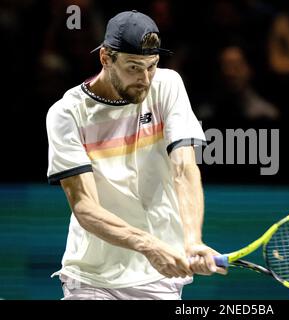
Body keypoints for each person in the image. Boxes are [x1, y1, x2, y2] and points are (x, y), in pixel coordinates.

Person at [46, 10, 225, 300]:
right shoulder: (67, 114)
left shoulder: (167, 86)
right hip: (92, 277)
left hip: (159, 278)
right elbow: (85, 207)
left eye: (151, 66)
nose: (145, 79)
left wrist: (192, 241)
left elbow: (184, 168)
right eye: (133, 67)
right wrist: (149, 245)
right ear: (105, 58)